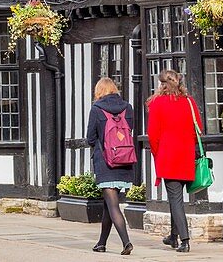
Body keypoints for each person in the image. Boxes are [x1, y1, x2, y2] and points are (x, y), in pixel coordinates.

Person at [147, 69, 203, 254]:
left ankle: (185, 240)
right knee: (176, 198)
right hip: (186, 156)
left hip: (168, 157)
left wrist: (157, 155)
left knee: (176, 200)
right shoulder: (189, 101)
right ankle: (173, 236)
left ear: (162, 85)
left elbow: (153, 135)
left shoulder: (157, 103)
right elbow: (198, 129)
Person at [85, 77, 136, 255]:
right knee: (109, 205)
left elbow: (90, 138)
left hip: (106, 161)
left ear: (99, 91)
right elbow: (130, 131)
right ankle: (101, 243)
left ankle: (126, 242)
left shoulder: (97, 109)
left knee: (113, 206)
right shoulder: (127, 107)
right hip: (125, 160)